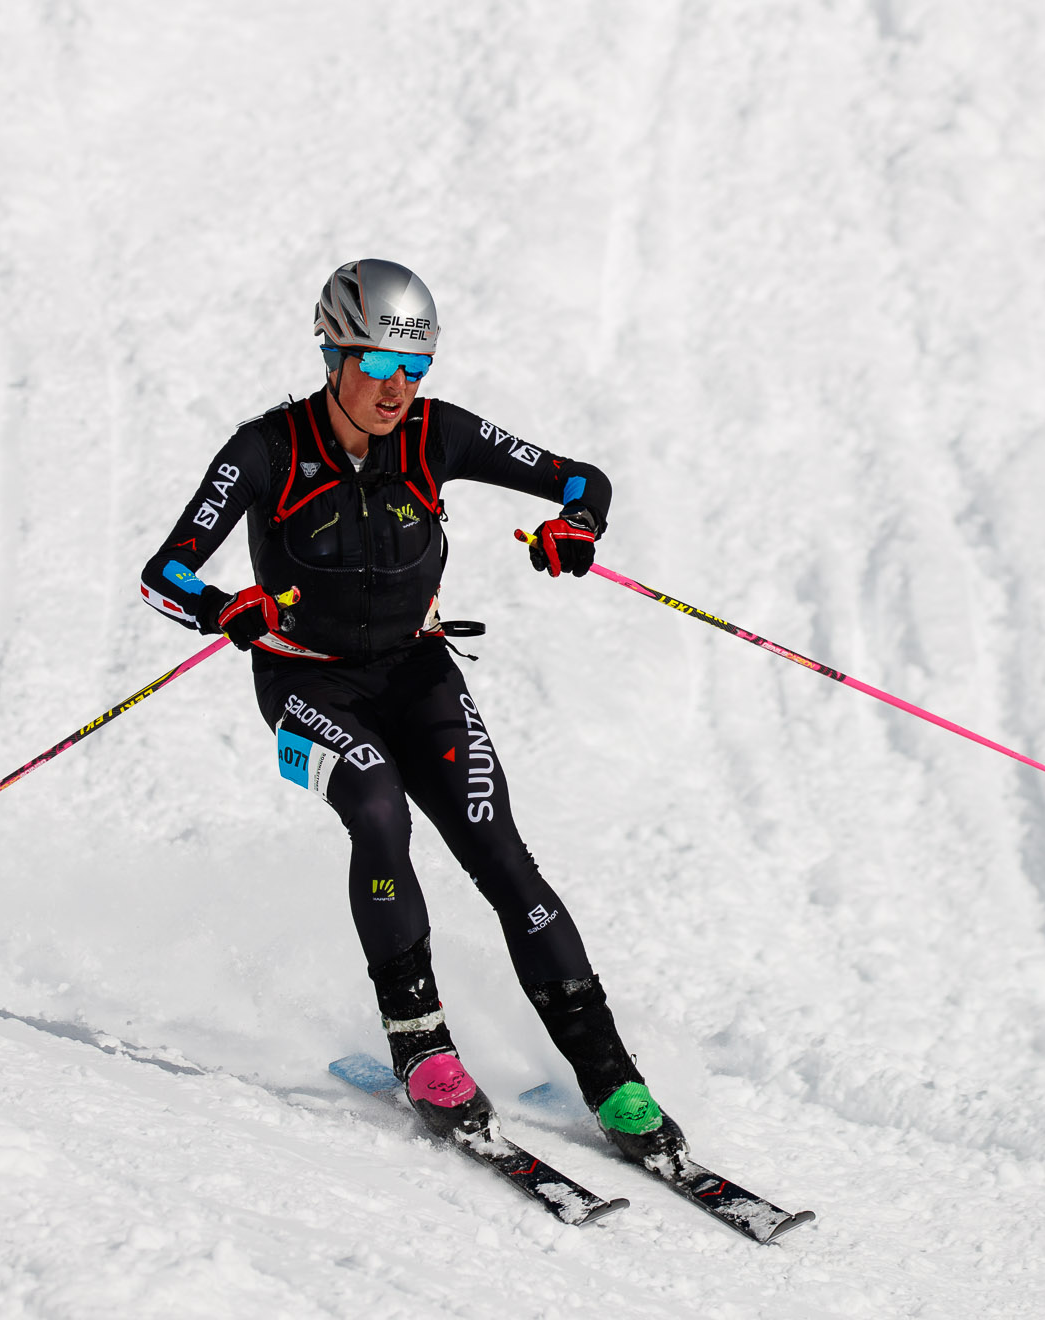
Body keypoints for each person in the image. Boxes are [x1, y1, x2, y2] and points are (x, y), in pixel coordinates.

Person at [138, 259, 683, 1164]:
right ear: (333, 354)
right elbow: (166, 573)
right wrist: (219, 605)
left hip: (418, 671)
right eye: (382, 369)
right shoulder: (266, 450)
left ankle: (611, 1077)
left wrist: (574, 527)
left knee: (498, 850)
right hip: (308, 683)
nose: (399, 391)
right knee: (378, 810)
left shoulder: (438, 434)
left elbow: (582, 480)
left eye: (416, 370)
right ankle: (422, 1047)